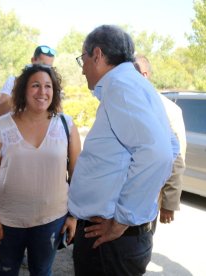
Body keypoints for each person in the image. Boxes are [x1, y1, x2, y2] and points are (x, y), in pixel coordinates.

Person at [68, 25, 178, 276]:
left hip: (111, 242)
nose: (83, 68)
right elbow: (170, 146)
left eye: (82, 59)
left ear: (97, 55)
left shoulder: (121, 87)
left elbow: (157, 154)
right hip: (119, 240)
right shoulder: (134, 84)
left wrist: (122, 220)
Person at [0, 64, 80, 275]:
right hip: (9, 220)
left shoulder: (66, 125)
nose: (42, 92)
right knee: (7, 270)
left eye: (48, 86)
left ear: (54, 91)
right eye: (35, 85)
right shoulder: (1, 127)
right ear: (23, 90)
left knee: (42, 271)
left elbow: (77, 174)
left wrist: (73, 216)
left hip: (51, 220)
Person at [134, 55, 186, 232]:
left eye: (134, 71)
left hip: (148, 200)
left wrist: (168, 203)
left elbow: (177, 159)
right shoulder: (126, 102)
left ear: (145, 75)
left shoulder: (168, 110)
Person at [0, 45, 56, 117]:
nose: (45, 70)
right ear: (33, 60)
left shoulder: (52, 86)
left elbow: (57, 113)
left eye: (49, 67)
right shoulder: (13, 81)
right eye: (42, 65)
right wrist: (21, 90)